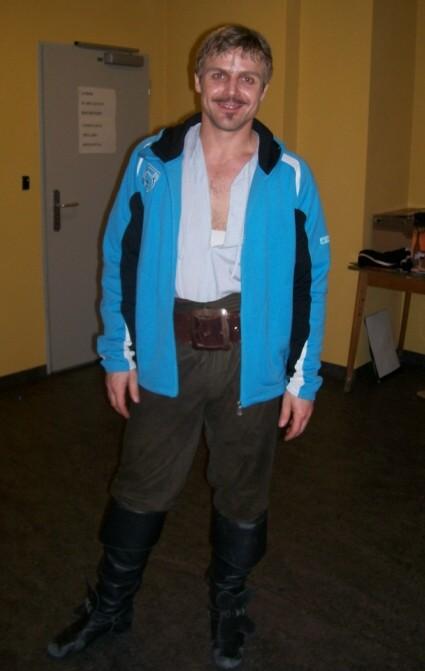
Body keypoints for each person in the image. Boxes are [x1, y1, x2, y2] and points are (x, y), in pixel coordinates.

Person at [47, 24, 330, 669]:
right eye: (220, 74)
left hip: (253, 359)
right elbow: (121, 256)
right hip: (167, 351)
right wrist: (117, 354)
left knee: (243, 492)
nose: (232, 90)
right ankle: (110, 607)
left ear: (263, 90)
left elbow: (309, 280)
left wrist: (303, 378)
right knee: (140, 485)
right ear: (198, 80)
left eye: (248, 78)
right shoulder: (154, 160)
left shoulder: (289, 175)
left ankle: (230, 607)